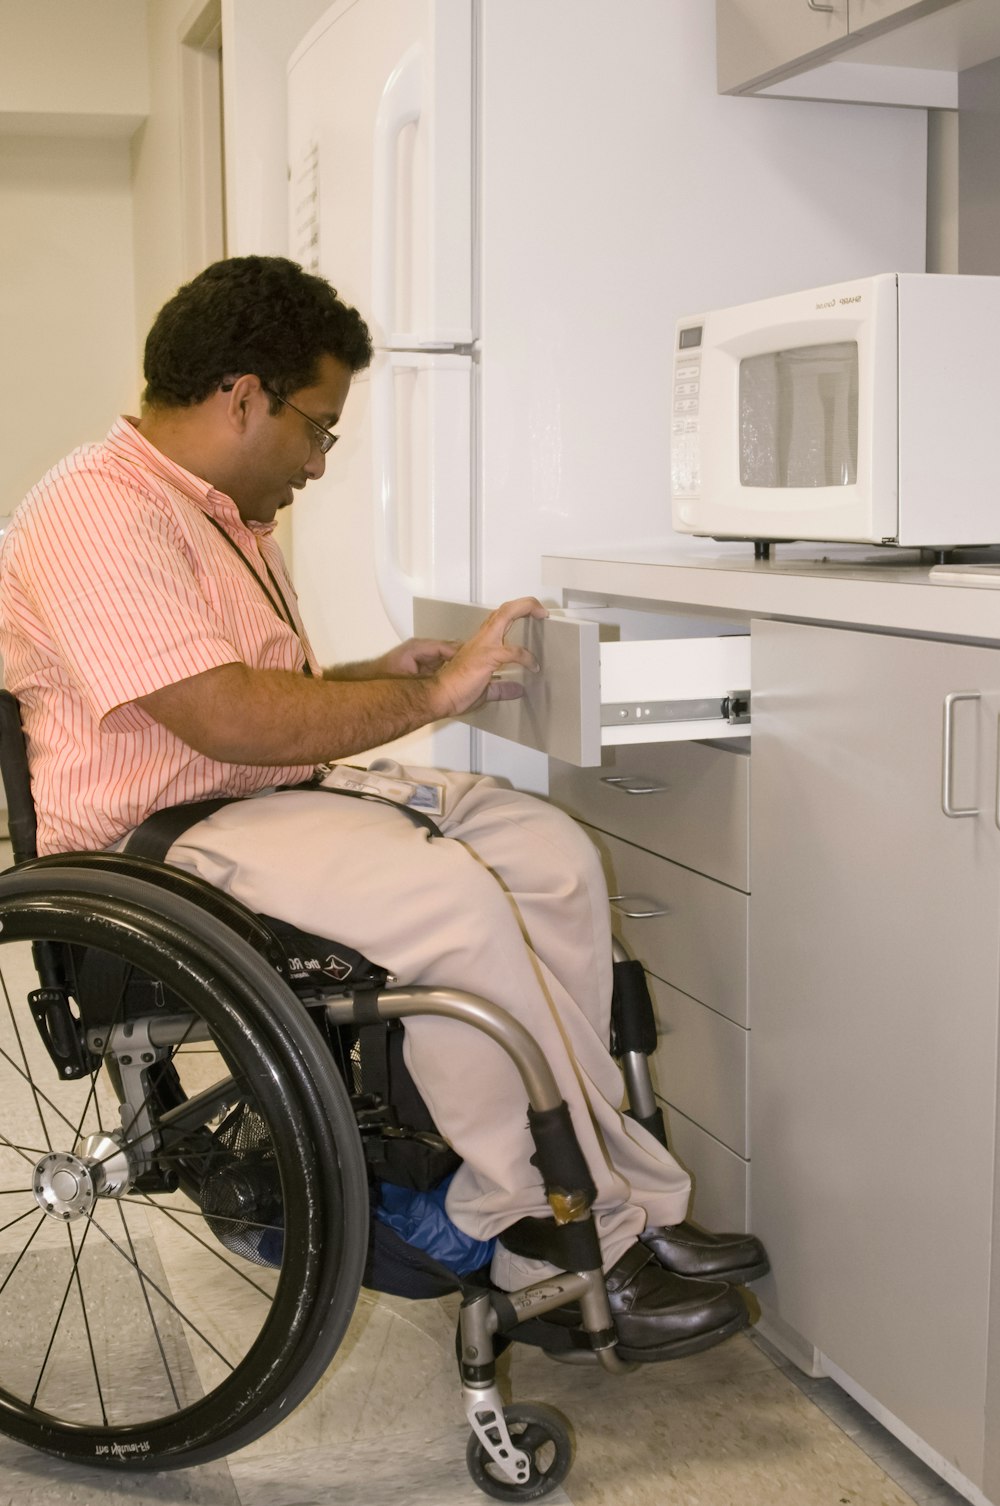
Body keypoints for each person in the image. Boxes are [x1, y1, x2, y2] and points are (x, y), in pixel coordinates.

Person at [0, 255, 766, 1358]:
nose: (318, 460)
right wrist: (423, 695)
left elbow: (250, 700)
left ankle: (627, 1198)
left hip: (256, 800)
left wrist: (376, 672)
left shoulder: (209, 513)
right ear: (243, 397)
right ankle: (540, 1228)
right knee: (448, 903)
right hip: (161, 844)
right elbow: (226, 722)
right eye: (318, 427)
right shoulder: (96, 513)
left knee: (543, 852)